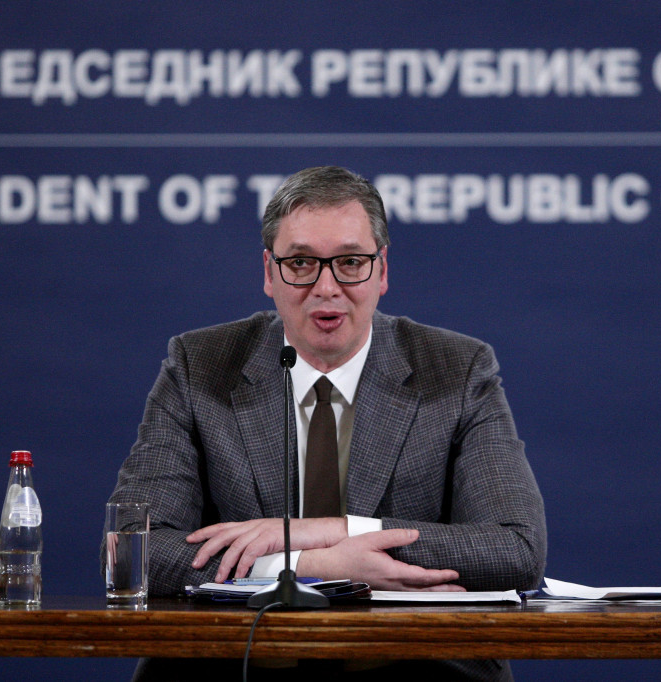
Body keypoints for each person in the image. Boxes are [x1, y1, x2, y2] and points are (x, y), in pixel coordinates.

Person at [106, 166, 546, 681]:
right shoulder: (200, 366)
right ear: (269, 272)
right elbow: (131, 549)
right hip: (238, 662)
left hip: (411, 667)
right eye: (300, 263)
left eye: (350, 262)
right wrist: (313, 567)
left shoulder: (455, 369)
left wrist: (335, 530)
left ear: (382, 271)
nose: (326, 287)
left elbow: (516, 548)